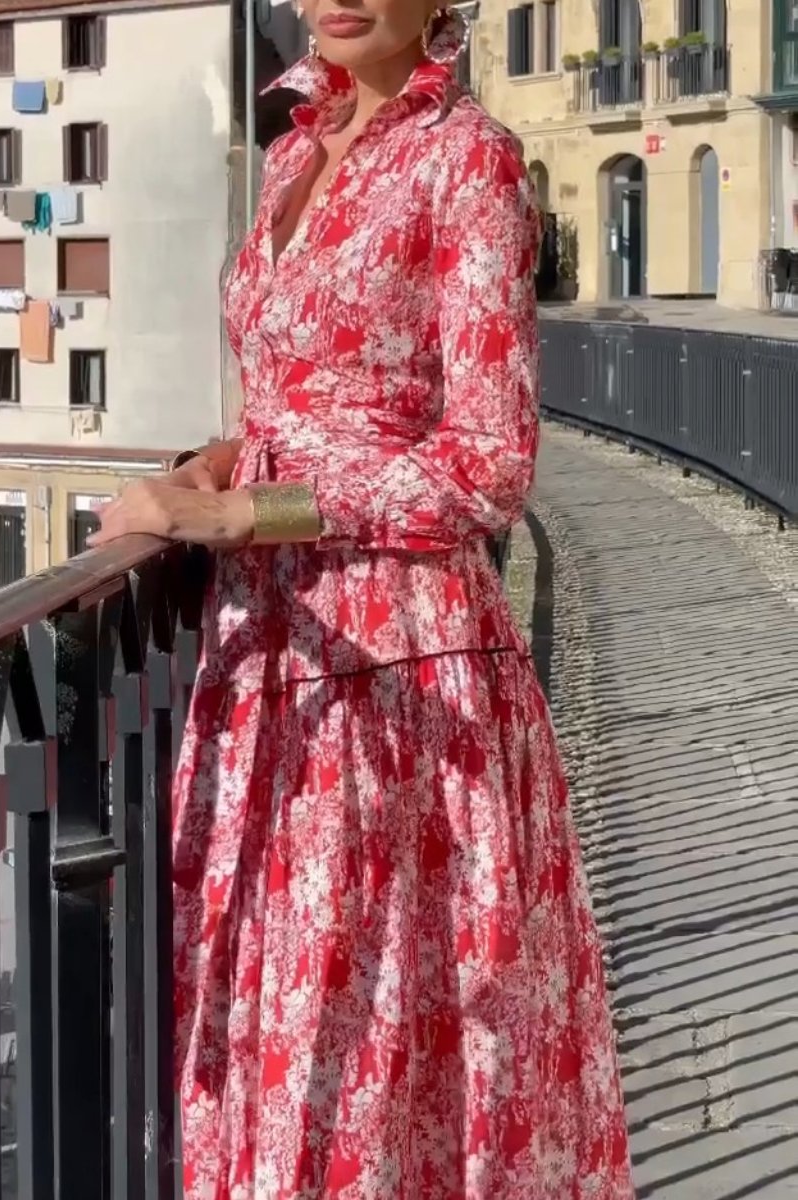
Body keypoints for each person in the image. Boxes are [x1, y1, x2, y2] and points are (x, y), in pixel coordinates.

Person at [88, 1, 634, 1195]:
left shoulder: (467, 155)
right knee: (279, 1042)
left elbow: (489, 465)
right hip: (269, 657)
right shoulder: (294, 147)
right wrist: (218, 466)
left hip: (398, 678)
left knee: (376, 1064)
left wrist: (251, 514)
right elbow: (301, 398)